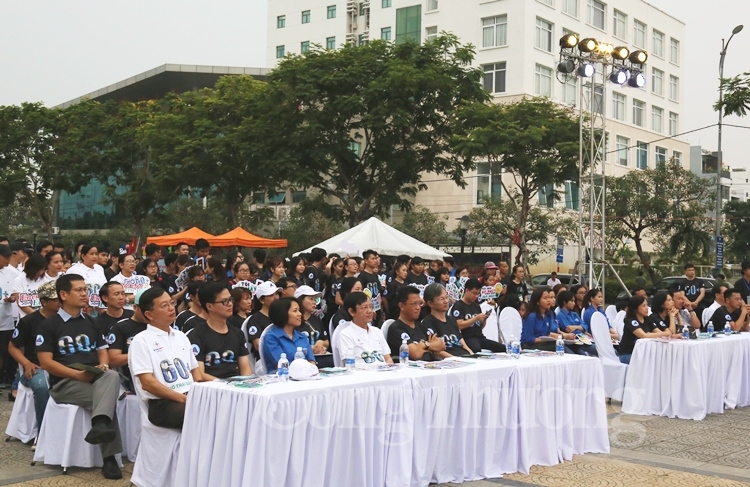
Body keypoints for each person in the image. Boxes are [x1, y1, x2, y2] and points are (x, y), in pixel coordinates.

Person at [36, 274, 123, 479]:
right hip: (65, 383)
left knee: (111, 376)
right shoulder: (49, 325)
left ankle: (100, 426)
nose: (85, 294)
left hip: (93, 376)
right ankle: (109, 458)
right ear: (63, 294)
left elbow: (102, 349)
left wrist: (103, 363)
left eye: (86, 289)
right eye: (79, 290)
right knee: (106, 400)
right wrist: (77, 375)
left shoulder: (92, 322)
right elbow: (46, 363)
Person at [128, 287, 201, 430]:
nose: (171, 308)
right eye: (164, 306)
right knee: (200, 414)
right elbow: (148, 383)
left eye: (171, 303)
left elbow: (195, 372)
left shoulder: (181, 336)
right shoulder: (141, 340)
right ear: (149, 314)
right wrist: (184, 399)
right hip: (163, 404)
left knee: (224, 409)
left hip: (189, 396)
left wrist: (199, 394)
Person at [8, 280, 58, 430]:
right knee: (42, 387)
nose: (60, 302)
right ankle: (43, 431)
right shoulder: (29, 321)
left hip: (62, 365)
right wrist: (26, 363)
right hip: (36, 367)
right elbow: (12, 347)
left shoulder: (64, 319)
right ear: (44, 301)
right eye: (55, 299)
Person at [187, 282, 252, 379]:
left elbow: (246, 370)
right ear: (209, 306)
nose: (230, 304)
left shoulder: (238, 333)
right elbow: (199, 374)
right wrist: (224, 385)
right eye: (224, 301)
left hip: (236, 386)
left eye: (231, 300)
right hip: (211, 388)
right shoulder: (197, 335)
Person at [386, 286, 446, 361]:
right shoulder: (396, 328)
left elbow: (441, 345)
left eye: (420, 304)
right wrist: (429, 346)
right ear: (401, 306)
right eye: (414, 304)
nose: (418, 307)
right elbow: (415, 354)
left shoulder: (421, 326)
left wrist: (423, 346)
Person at [106, 288, 149, 391]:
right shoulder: (121, 327)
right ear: (135, 307)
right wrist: (143, 354)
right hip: (135, 377)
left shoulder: (159, 325)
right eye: (146, 309)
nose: (149, 313)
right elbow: (113, 360)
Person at [449, 278, 504, 353]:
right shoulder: (458, 306)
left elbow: (480, 326)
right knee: (476, 349)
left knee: (502, 348)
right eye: (474, 293)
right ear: (467, 291)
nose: (476, 296)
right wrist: (475, 318)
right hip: (466, 337)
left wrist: (484, 320)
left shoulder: (476, 306)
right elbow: (459, 325)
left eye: (478, 294)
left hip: (480, 337)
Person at [337, 292, 393, 365]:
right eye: (364, 307)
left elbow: (388, 358)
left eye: (371, 307)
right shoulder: (346, 334)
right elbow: (349, 365)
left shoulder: (377, 331)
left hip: (384, 373)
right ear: (351, 311)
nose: (370, 311)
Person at [263, 297, 316, 373]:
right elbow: (281, 366)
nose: (300, 314)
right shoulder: (271, 337)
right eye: (295, 311)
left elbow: (312, 362)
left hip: (305, 377)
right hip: (281, 380)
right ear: (283, 313)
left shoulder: (302, 337)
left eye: (299, 310)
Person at [421, 283, 474, 356]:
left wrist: (472, 354)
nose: (446, 301)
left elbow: (462, 343)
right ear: (430, 303)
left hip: (464, 356)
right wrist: (455, 359)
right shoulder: (427, 323)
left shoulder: (452, 320)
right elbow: (436, 351)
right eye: (441, 299)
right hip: (450, 360)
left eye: (446, 297)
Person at [618, 295, 672, 364]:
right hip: (628, 354)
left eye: (647, 305)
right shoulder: (631, 320)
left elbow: (659, 332)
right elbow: (643, 335)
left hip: (643, 353)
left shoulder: (647, 319)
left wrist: (670, 335)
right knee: (651, 362)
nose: (647, 308)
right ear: (635, 308)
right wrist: (664, 333)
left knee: (661, 360)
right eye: (643, 306)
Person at [521, 287, 575, 352]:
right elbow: (528, 339)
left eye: (549, 297)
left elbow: (548, 334)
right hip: (529, 346)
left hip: (544, 344)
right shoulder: (531, 316)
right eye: (545, 298)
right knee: (555, 345)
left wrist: (564, 336)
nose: (549, 300)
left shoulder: (548, 315)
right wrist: (547, 339)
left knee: (562, 344)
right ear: (537, 302)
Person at [0, 244, 20, 389]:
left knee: (2, 352)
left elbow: (16, 290)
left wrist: (13, 297)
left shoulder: (12, 272)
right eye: (5, 257)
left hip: (5, 319)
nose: (8, 260)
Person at [245, 281, 281, 360]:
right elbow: (258, 345)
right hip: (264, 361)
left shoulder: (282, 316)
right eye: (271, 295)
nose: (276, 297)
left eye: (276, 294)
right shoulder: (255, 319)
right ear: (262, 300)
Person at [67, 243, 107, 311]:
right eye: (91, 254)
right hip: (84, 307)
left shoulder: (99, 268)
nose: (94, 256)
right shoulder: (74, 270)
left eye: (96, 254)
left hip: (101, 307)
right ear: (83, 256)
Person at [295, 286, 330, 354]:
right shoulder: (293, 320)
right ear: (300, 300)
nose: (314, 302)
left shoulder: (317, 319)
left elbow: (327, 342)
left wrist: (321, 342)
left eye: (315, 299)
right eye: (311, 299)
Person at [358, 250, 385, 322]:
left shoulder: (375, 275)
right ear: (366, 261)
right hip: (368, 310)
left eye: (376, 259)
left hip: (377, 307)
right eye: (372, 259)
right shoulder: (362, 276)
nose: (375, 261)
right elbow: (361, 294)